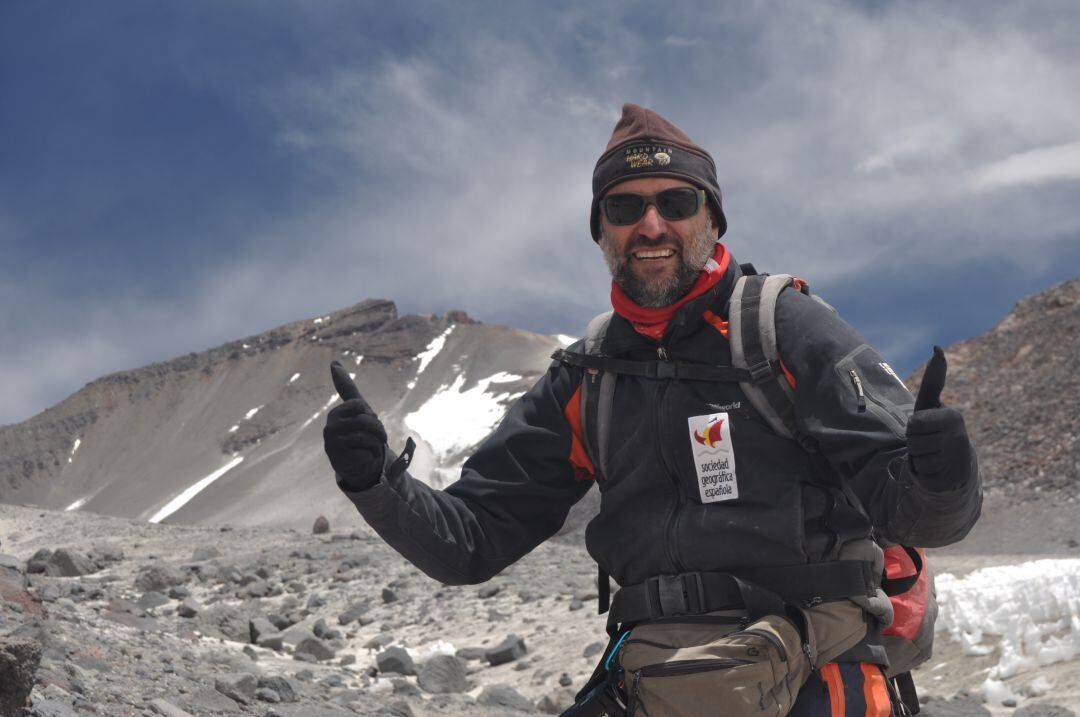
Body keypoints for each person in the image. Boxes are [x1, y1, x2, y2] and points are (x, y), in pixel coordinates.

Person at [323, 104, 981, 716]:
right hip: (654, 673)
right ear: (600, 230)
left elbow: (917, 513)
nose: (651, 225)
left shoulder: (785, 329)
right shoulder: (587, 375)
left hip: (811, 665)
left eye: (676, 201)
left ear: (712, 218)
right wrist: (375, 482)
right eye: (625, 207)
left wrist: (940, 472)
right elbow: (470, 541)